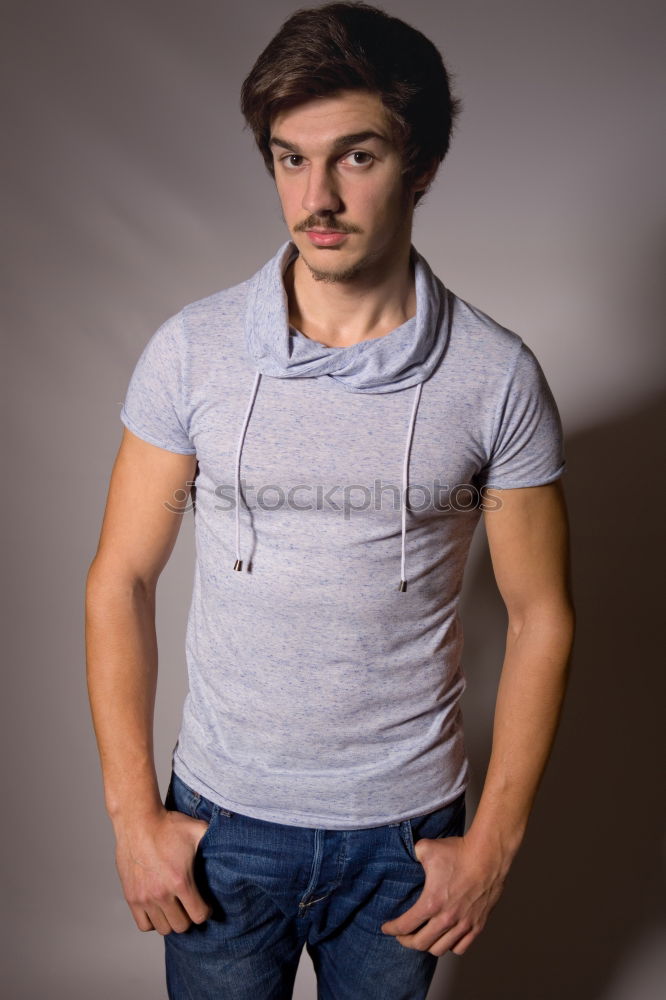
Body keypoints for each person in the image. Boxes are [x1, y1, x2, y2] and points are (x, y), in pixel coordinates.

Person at [85, 3, 575, 998]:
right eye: (289, 158)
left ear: (422, 162)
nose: (317, 196)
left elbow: (540, 616)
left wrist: (492, 846)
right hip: (223, 825)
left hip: (405, 838)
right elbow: (120, 578)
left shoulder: (497, 377)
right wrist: (135, 816)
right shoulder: (192, 351)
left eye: (356, 157)